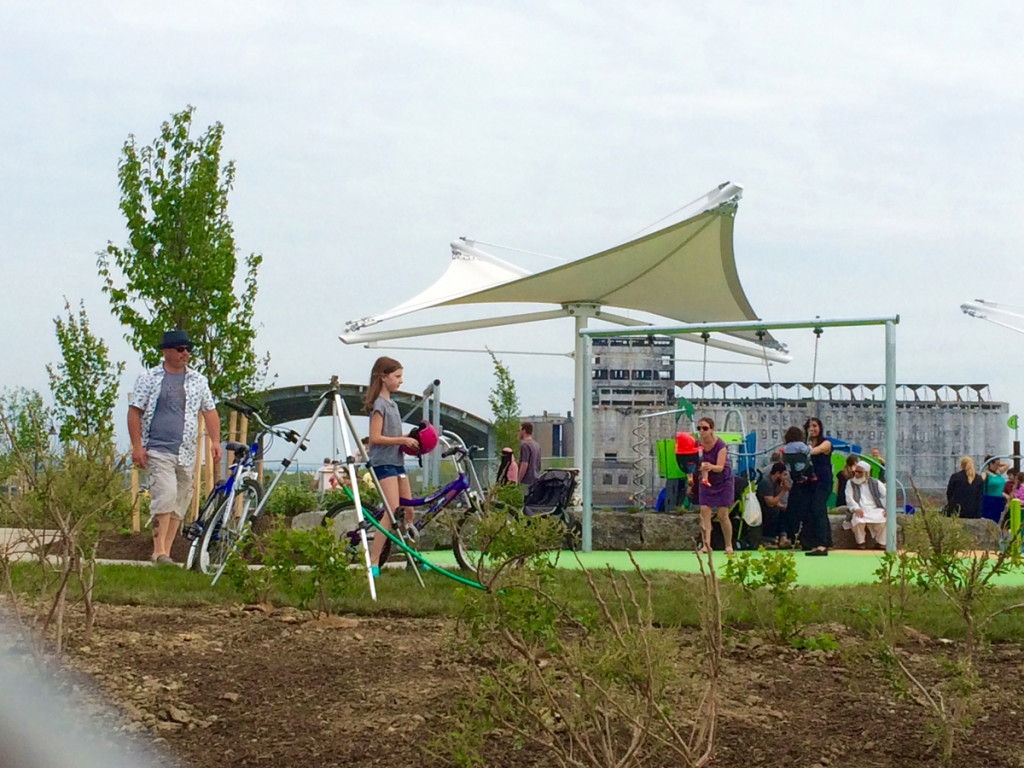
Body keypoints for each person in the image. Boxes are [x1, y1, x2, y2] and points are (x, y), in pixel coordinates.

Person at [128, 330, 221, 565]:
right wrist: (137, 446)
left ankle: (166, 552)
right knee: (165, 495)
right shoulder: (149, 378)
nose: (185, 354)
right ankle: (158, 550)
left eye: (188, 349)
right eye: (180, 349)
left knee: (180, 500)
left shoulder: (198, 380)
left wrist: (215, 441)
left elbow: (209, 411)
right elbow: (135, 411)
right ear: (166, 351)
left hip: (187, 451)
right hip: (158, 448)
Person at [364, 356, 419, 577]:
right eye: (397, 376)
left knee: (409, 510)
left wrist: (411, 438)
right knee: (391, 509)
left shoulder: (393, 405)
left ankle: (411, 557)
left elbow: (394, 435)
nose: (401, 381)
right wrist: (401, 441)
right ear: (383, 377)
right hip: (384, 463)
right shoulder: (379, 405)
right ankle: (374, 561)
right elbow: (375, 438)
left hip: (397, 462)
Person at [783, 425, 827, 556]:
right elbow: (809, 452)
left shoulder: (787, 447)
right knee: (809, 469)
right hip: (805, 470)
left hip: (795, 472)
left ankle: (803, 538)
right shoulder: (801, 445)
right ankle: (818, 542)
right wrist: (809, 447)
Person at [696, 417, 734, 554]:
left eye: (705, 428)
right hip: (706, 480)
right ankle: (706, 545)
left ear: (712, 429)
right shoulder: (697, 444)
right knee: (704, 510)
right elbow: (693, 462)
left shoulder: (721, 445)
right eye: (699, 428)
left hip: (723, 480)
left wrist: (710, 466)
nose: (701, 431)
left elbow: (720, 467)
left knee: (723, 514)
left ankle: (729, 545)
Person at [805, 417, 834, 552]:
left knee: (818, 508)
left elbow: (818, 450)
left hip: (824, 481)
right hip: (810, 481)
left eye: (815, 426)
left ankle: (822, 542)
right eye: (810, 426)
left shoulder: (826, 443)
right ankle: (825, 540)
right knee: (815, 509)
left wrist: (807, 449)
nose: (813, 429)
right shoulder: (806, 443)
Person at [843, 460, 887, 549]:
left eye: (859, 472)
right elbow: (849, 498)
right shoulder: (850, 483)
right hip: (860, 509)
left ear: (866, 473)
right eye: (855, 471)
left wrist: (887, 508)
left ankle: (881, 543)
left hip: (875, 509)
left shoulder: (876, 483)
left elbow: (886, 495)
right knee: (858, 518)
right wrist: (856, 508)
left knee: (884, 518)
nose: (856, 474)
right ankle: (861, 543)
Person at [756, 461, 790, 547]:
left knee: (784, 512)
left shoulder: (777, 483)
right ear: (778, 473)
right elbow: (770, 502)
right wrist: (783, 491)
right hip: (762, 507)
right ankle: (767, 538)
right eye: (784, 475)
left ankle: (783, 537)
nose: (786, 477)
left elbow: (777, 501)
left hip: (772, 505)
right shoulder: (766, 482)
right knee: (773, 512)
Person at [981, 455, 1008, 525]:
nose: (998, 466)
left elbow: (1007, 464)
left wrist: (997, 463)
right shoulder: (985, 474)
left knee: (1001, 521)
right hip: (990, 500)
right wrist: (988, 462)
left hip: (1000, 500)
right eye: (997, 464)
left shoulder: (998, 473)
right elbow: (980, 482)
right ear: (990, 464)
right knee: (991, 521)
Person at [517, 422, 542, 487]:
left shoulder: (525, 445)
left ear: (524, 430)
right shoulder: (536, 445)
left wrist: (519, 480)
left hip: (527, 481)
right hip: (536, 479)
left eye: (519, 430)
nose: (519, 433)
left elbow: (524, 463)